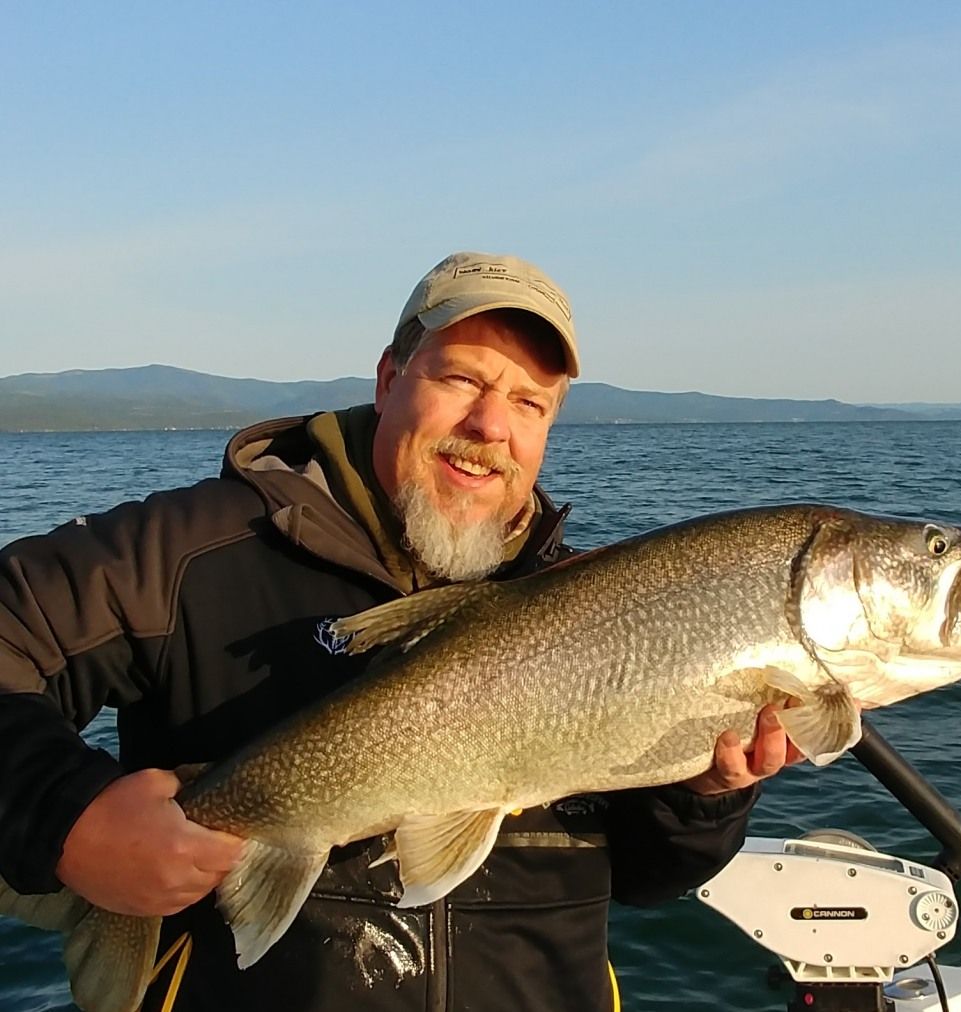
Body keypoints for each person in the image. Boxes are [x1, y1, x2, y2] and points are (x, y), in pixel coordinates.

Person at [0, 252, 793, 1011]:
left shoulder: (599, 607)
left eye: (530, 403)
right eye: (461, 379)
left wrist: (703, 797)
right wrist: (67, 817)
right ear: (388, 380)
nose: (490, 425)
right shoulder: (185, 554)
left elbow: (650, 880)